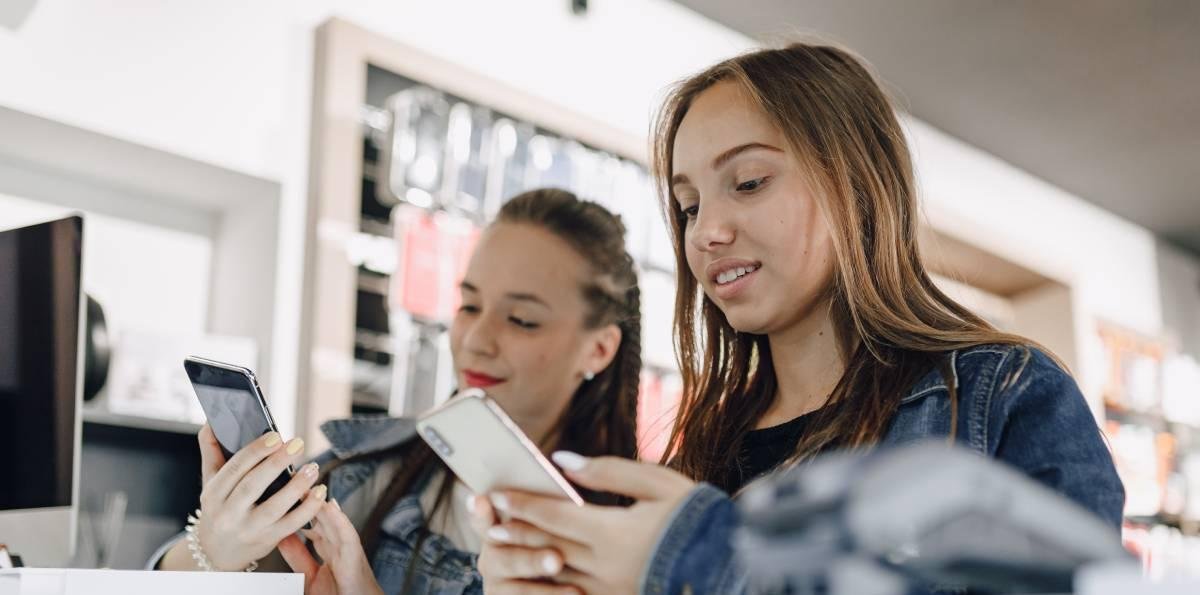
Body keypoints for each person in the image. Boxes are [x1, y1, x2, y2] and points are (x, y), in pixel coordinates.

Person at [470, 41, 1125, 594]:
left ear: (856, 184)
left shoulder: (1002, 396)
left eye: (748, 182)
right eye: (689, 206)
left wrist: (705, 558)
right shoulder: (698, 453)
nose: (706, 232)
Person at [155, 188, 644, 595]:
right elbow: (154, 579)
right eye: (469, 306)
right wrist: (212, 550)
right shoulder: (363, 477)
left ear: (599, 349)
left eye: (521, 319)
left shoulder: (643, 544)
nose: (476, 341)